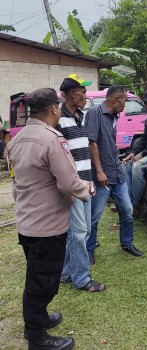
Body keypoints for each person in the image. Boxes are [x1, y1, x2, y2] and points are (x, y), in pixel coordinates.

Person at [7, 88, 91, 350]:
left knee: (37, 274)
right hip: (48, 225)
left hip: (27, 222)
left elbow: (17, 180)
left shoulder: (16, 140)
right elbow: (68, 182)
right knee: (41, 282)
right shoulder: (52, 139)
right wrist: (85, 189)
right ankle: (36, 337)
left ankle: (39, 318)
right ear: (54, 108)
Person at [56, 74, 105, 291]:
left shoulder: (81, 116)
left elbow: (83, 151)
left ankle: (66, 273)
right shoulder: (58, 119)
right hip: (73, 185)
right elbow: (58, 156)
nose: (85, 95)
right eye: (83, 91)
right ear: (72, 93)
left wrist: (90, 180)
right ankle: (81, 278)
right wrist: (68, 186)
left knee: (81, 232)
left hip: (86, 183)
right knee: (78, 232)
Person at [85, 85, 143, 265]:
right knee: (95, 215)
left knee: (127, 210)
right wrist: (100, 171)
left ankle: (127, 243)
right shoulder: (94, 113)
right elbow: (91, 143)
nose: (126, 105)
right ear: (116, 99)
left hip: (117, 172)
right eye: (125, 101)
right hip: (102, 175)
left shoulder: (115, 116)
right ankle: (89, 249)